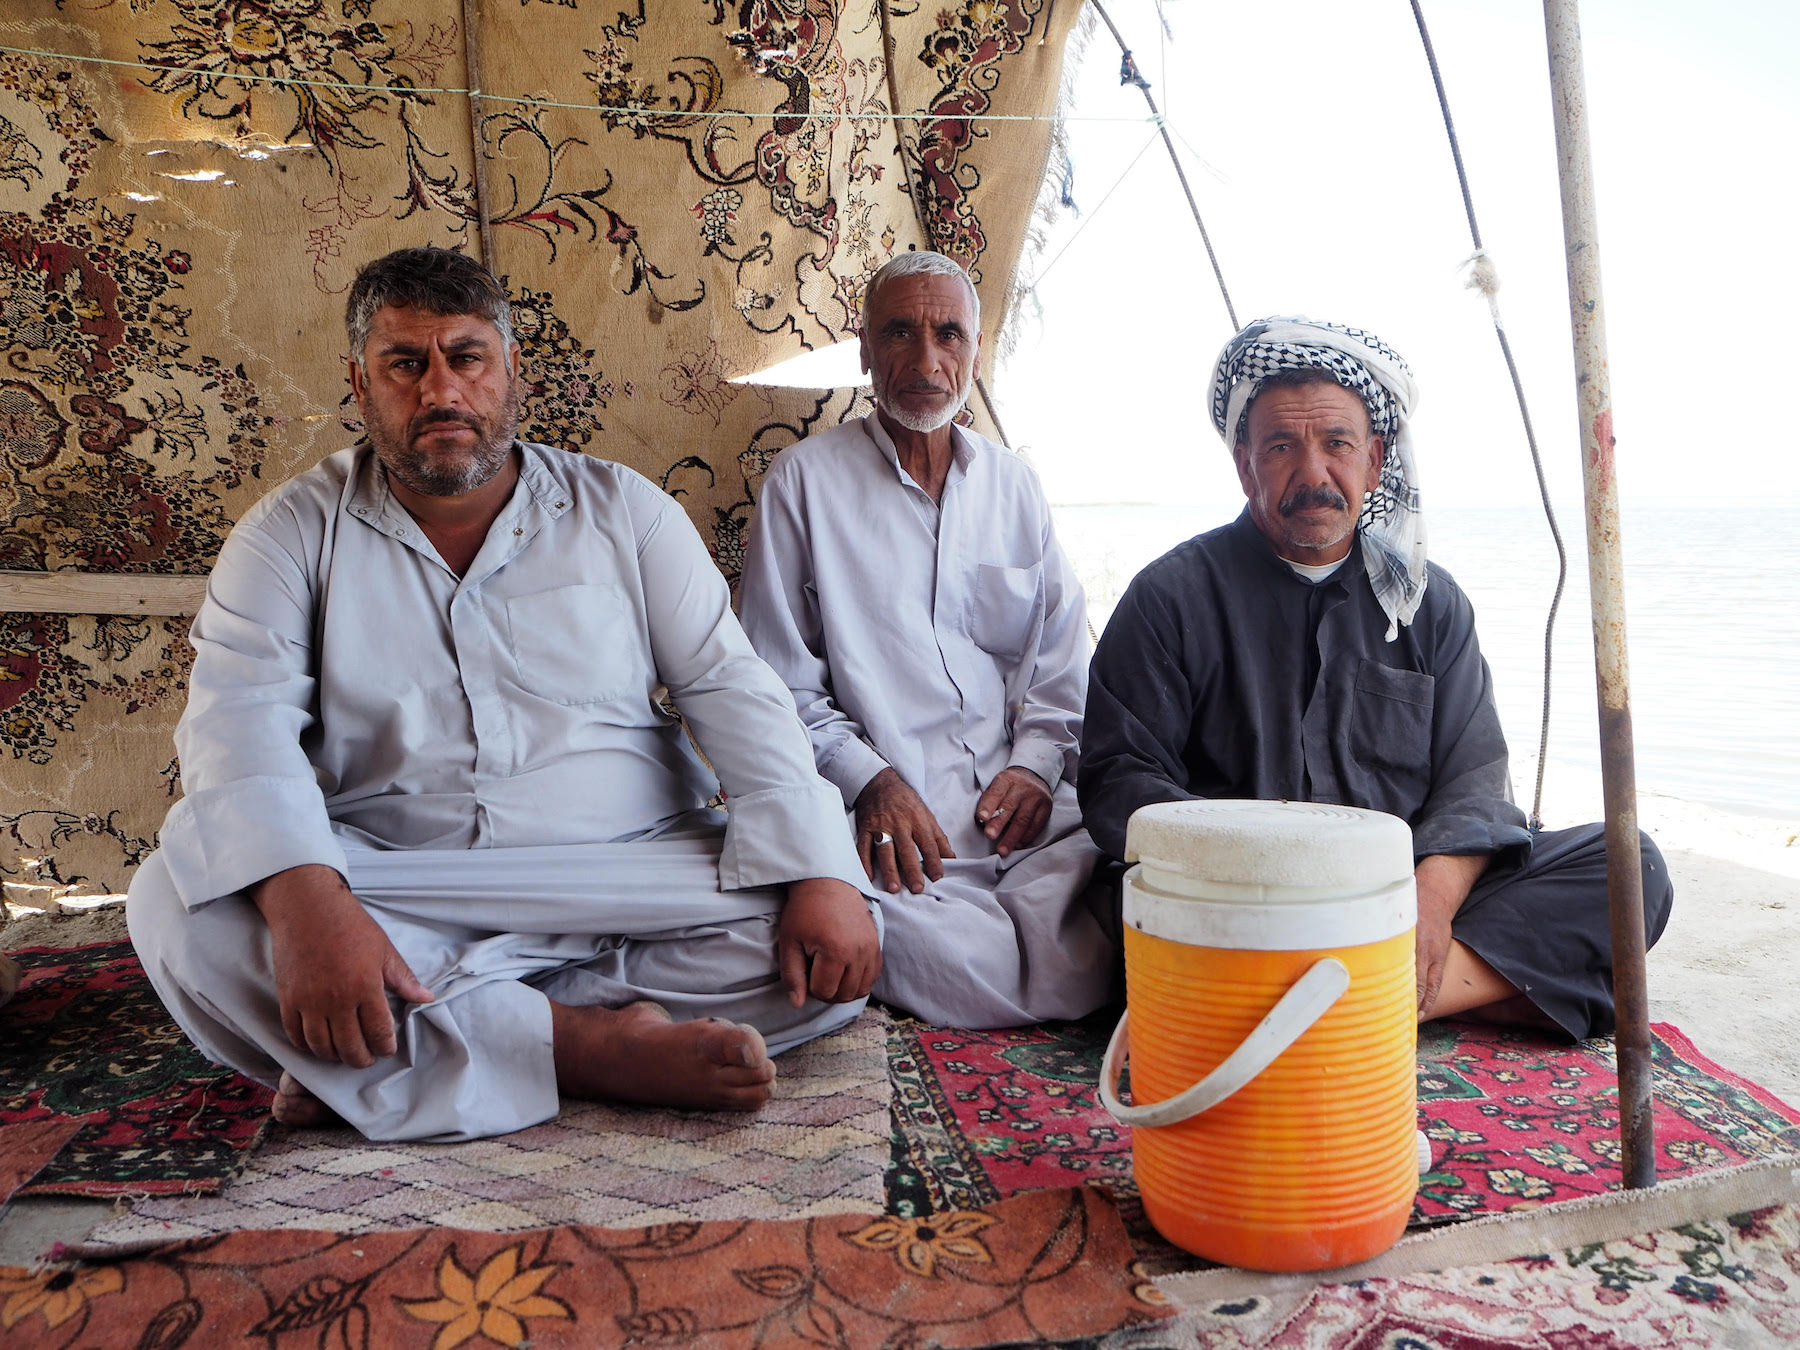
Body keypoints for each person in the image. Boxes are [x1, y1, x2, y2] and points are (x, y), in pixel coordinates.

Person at [127, 247, 881, 1142]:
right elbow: (236, 727)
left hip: (624, 867)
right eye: (406, 363)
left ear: (511, 371)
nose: (441, 391)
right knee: (178, 903)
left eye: (467, 357)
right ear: (360, 386)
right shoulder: (288, 534)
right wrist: (313, 912)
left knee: (844, 925)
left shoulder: (624, 511)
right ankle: (588, 1047)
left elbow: (731, 688)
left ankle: (415, 1042)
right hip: (402, 877)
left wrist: (821, 874)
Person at [1078, 316, 1672, 1039]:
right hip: (1240, 903)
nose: (1313, 474)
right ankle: (1423, 992)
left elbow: (1474, 785)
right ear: (1245, 465)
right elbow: (1121, 783)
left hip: (1396, 899)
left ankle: (1343, 1000)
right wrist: (1268, 871)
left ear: (1376, 457)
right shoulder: (1171, 596)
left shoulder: (1429, 602)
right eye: (1281, 448)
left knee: (1628, 867)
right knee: (1125, 906)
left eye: (1337, 444)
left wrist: (1429, 900)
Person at [736, 251, 1116, 1028]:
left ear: (977, 351)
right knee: (851, 919)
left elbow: (1061, 665)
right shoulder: (803, 483)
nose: (926, 360)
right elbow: (772, 685)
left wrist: (1040, 767)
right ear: (866, 350)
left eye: (949, 335)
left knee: (1128, 886)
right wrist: (871, 781)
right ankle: (994, 970)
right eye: (899, 334)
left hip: (1035, 826)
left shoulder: (1015, 487)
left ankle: (1020, 963)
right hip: (893, 833)